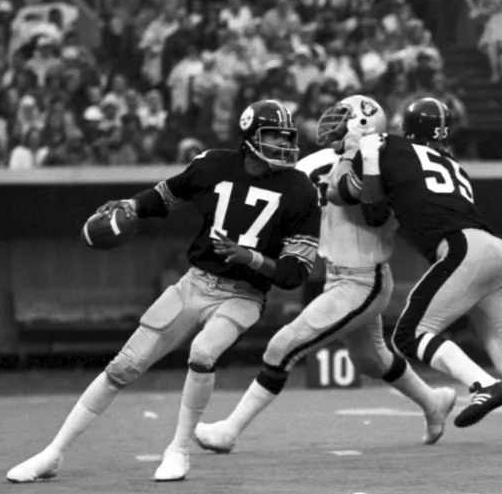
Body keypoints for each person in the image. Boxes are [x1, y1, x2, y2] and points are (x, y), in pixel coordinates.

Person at [6, 101, 321, 483]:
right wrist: (131, 205)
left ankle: (179, 450)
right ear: (249, 135)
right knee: (122, 366)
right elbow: (166, 195)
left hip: (244, 294)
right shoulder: (214, 165)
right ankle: (52, 453)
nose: (282, 144)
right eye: (273, 135)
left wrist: (250, 258)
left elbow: (295, 272)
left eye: (287, 137)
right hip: (194, 283)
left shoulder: (300, 189)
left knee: (203, 353)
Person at [333, 97, 502, 449]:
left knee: (409, 335)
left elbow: (365, 208)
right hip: (496, 250)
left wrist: (360, 154)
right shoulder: (453, 164)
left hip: (463, 249)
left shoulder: (386, 147)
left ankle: (483, 385)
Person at [194, 96, 457, 453]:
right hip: (342, 276)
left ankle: (230, 430)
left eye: (344, 118)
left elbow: (346, 192)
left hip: (362, 279)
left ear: (362, 126)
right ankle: (432, 402)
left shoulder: (383, 165)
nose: (332, 124)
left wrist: (356, 153)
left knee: (282, 346)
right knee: (370, 359)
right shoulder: (324, 160)